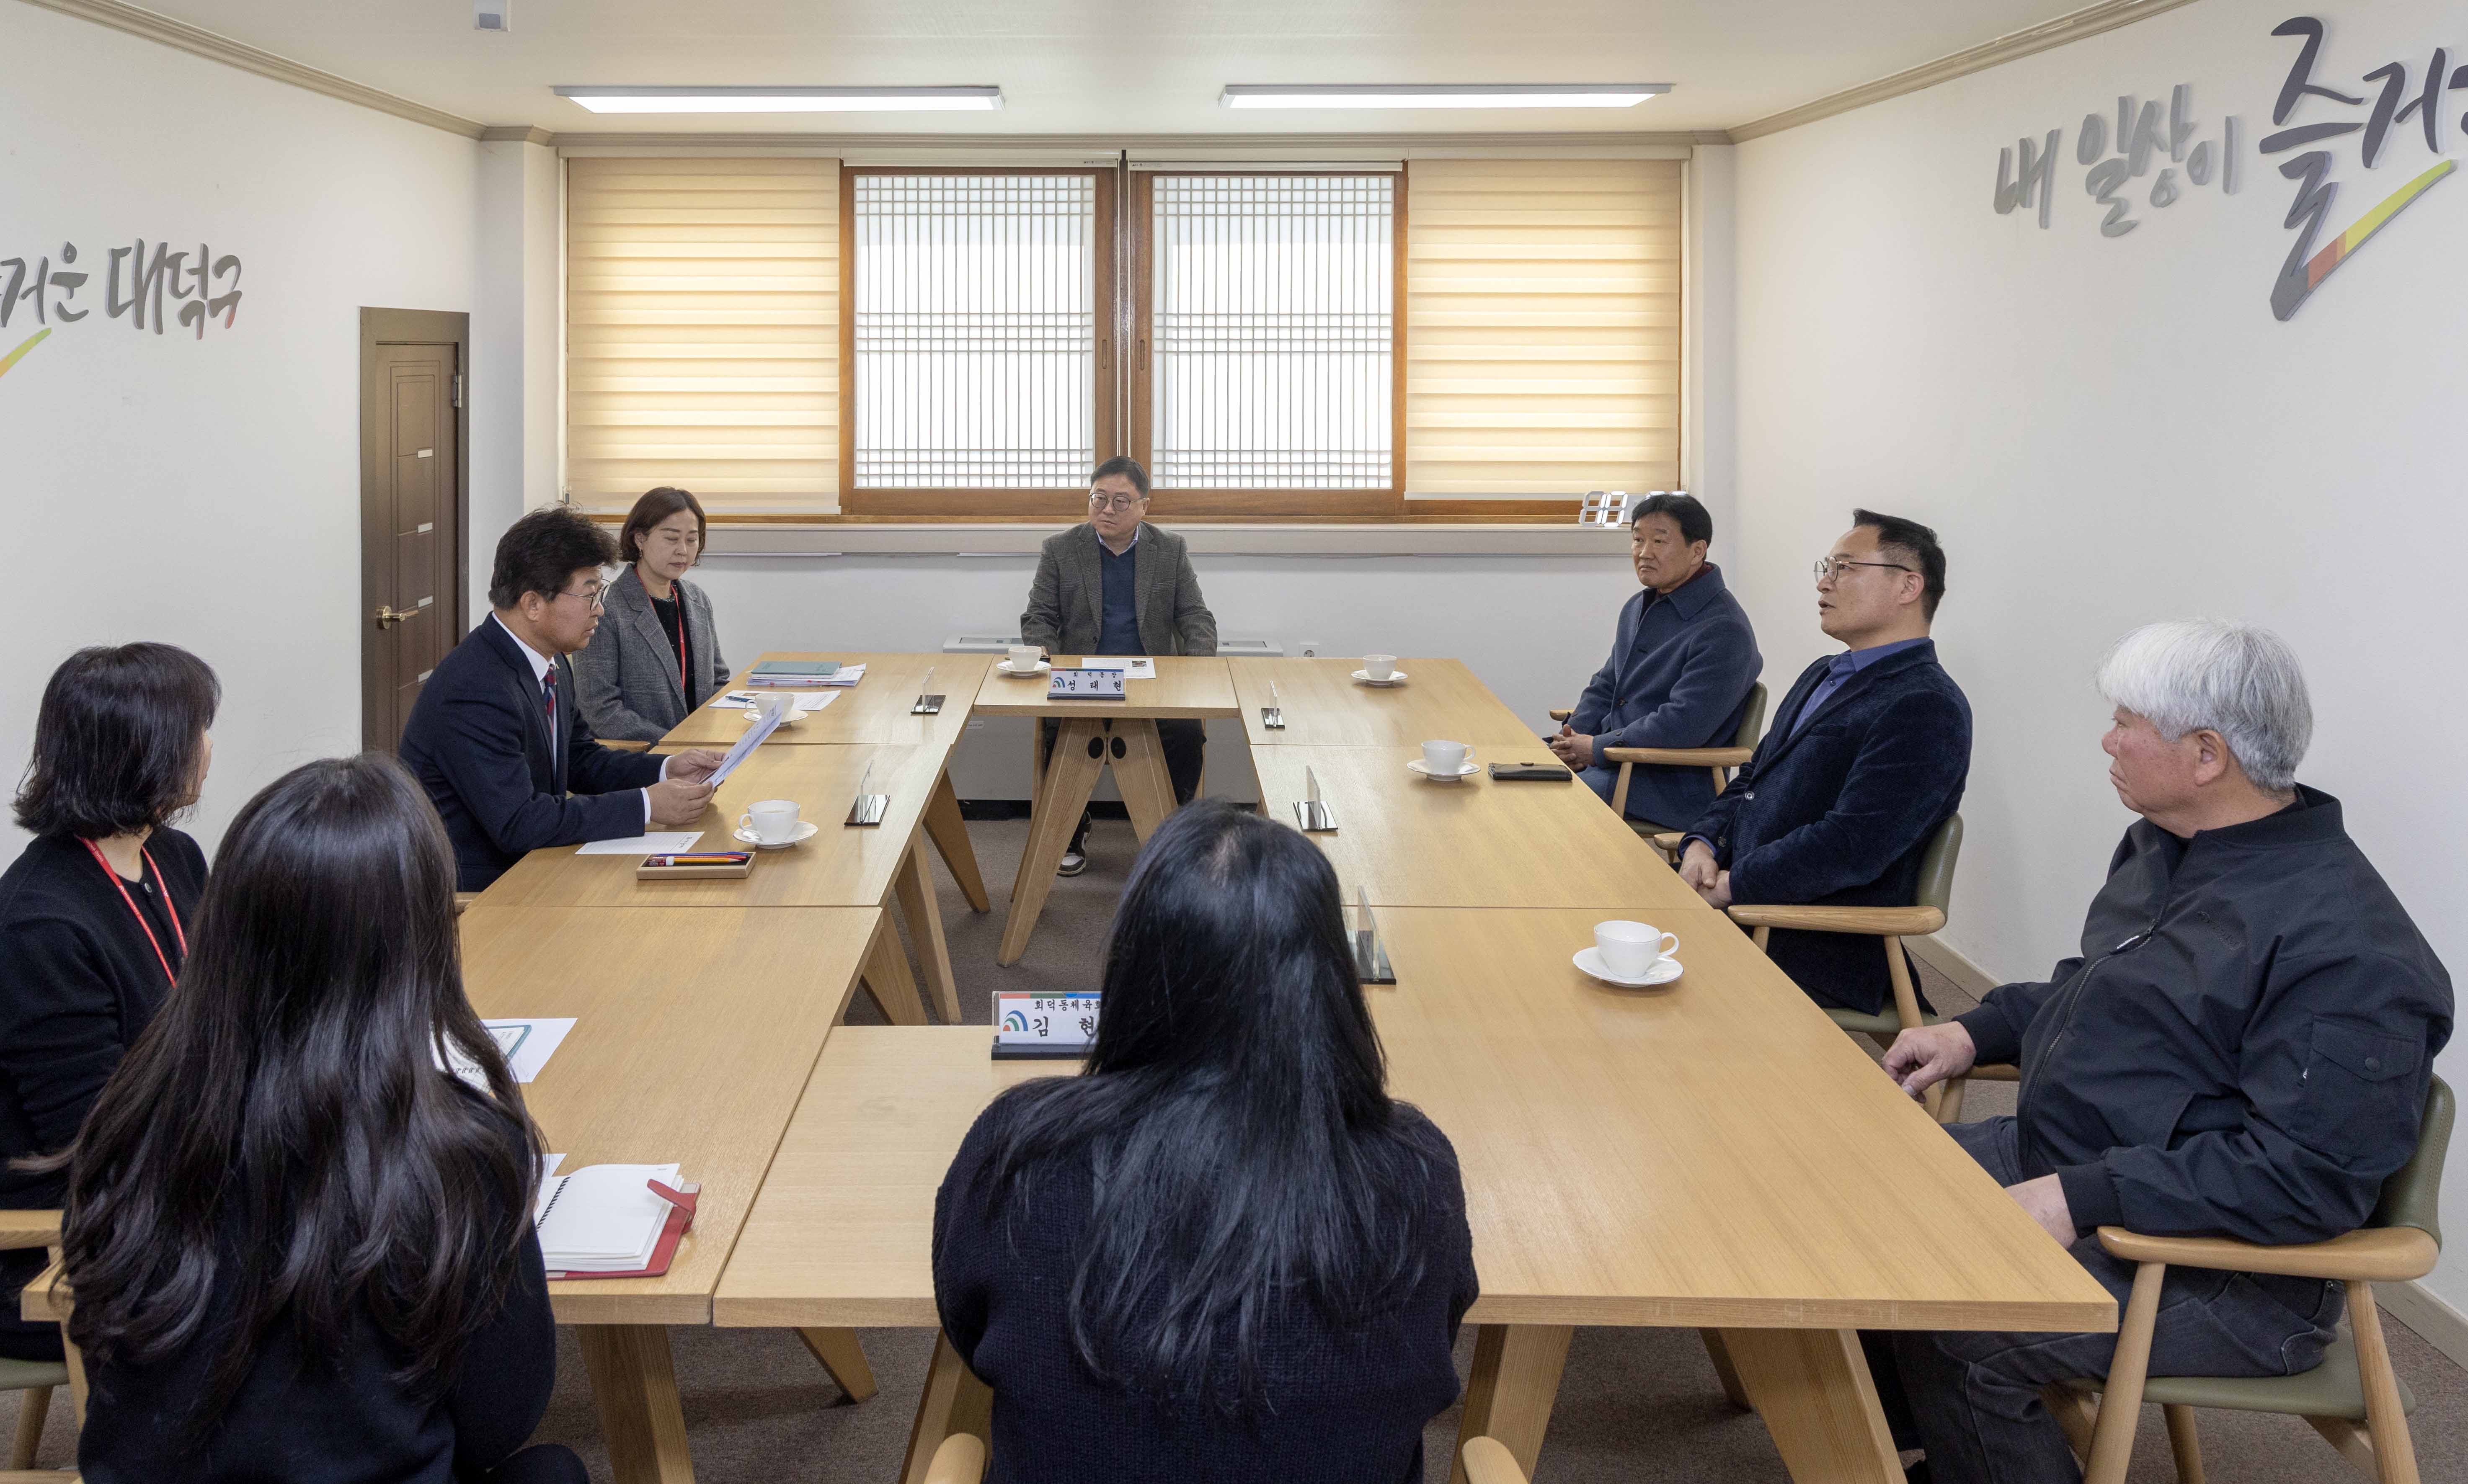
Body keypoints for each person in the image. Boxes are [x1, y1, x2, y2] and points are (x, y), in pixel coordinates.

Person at [1873, 620, 2452, 1484]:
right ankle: (1925, 1449)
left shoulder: (2350, 948)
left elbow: (2306, 1178)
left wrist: (2083, 1194)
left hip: (2229, 1270)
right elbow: (2102, 991)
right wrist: (1977, 1028)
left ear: (2207, 754)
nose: (2107, 739)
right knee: (1857, 1202)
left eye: (2127, 721)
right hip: (2084, 1160)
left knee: (1960, 1319)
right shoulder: (2167, 846)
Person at [44, 754, 585, 1484]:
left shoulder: (133, 1118)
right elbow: (497, 1422)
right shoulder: (460, 1146)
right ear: (419, 941)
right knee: (550, 1470)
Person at [933, 801, 1477, 1483]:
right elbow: (1439, 1327)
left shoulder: (1019, 1148)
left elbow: (968, 1325)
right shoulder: (1417, 1169)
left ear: (1134, 961)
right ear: (1329, 976)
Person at [0, 643, 218, 1363]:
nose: (208, 745)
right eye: (198, 727)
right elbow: (95, 1139)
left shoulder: (174, 856)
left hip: (179, 1178)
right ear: (146, 751)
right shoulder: (42, 923)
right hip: (77, 1233)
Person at [1676, 510, 1971, 1014]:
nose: (1825, 583)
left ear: (1908, 586)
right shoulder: (1824, 673)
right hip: (1743, 904)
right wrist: (1703, 843)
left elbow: (1853, 844)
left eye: (1844, 568)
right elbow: (1753, 777)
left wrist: (1731, 885)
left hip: (1807, 934)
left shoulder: (1925, 704)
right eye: (1826, 567)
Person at [400, 507, 726, 891]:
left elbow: (580, 760)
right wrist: (647, 805)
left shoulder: (548, 661)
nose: (600, 609)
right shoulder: (475, 689)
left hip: (537, 865)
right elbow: (518, 823)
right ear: (533, 604)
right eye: (590, 594)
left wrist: (666, 770)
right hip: (478, 891)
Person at [1020, 456, 1218, 877]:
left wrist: (1198, 669)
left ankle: (1175, 834)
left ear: (1145, 506)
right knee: (1059, 729)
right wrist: (1050, 662)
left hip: (1151, 679)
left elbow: (1196, 617)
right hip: (1082, 676)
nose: (1107, 509)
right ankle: (1070, 827)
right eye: (1099, 498)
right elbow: (1039, 618)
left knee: (1185, 732)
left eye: (1121, 501)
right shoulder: (1060, 548)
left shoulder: (1170, 549)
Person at [1548, 492, 1761, 830]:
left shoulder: (1725, 629)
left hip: (1665, 785)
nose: (1644, 553)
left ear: (1697, 550)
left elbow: (1682, 724)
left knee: (1544, 804)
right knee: (1512, 770)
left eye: (1659, 541)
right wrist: (1572, 740)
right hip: (1612, 762)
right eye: (1637, 540)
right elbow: (1606, 686)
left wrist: (1598, 748)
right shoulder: (1638, 606)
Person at [572, 486, 733, 743]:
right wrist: (675, 744)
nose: (683, 550)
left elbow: (719, 682)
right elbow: (600, 711)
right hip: (639, 757)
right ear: (640, 540)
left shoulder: (698, 600)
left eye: (692, 540)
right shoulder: (606, 607)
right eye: (671, 538)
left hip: (701, 749)